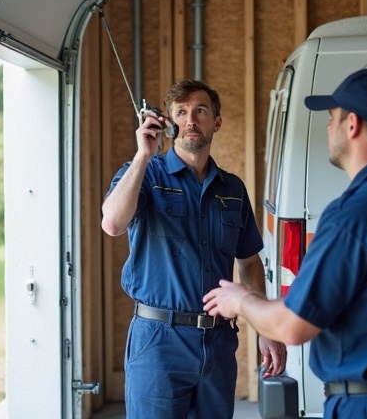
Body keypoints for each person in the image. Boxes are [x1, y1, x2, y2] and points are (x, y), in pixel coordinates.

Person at [203, 69, 367, 419]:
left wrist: (242, 300)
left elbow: (292, 325)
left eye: (331, 117)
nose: (328, 127)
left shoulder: (354, 212)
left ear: (352, 124)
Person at [101, 79, 286, 419]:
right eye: (181, 112)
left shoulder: (232, 188)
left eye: (200, 111)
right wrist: (143, 154)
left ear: (216, 121)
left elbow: (248, 262)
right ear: (170, 123)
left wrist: (265, 327)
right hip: (158, 342)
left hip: (217, 343)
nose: (191, 120)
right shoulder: (144, 174)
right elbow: (112, 223)